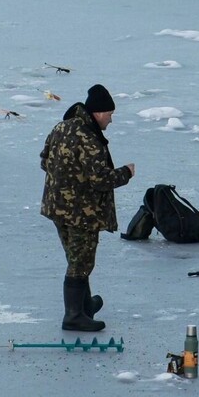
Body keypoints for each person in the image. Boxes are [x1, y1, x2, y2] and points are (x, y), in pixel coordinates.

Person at [40, 84, 135, 332]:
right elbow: (101, 180)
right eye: (110, 115)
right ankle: (73, 316)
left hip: (56, 207)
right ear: (99, 113)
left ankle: (84, 306)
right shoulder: (89, 139)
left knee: (76, 258)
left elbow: (44, 160)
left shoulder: (61, 127)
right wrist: (126, 173)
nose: (111, 120)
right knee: (80, 263)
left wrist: (65, 179)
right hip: (81, 212)